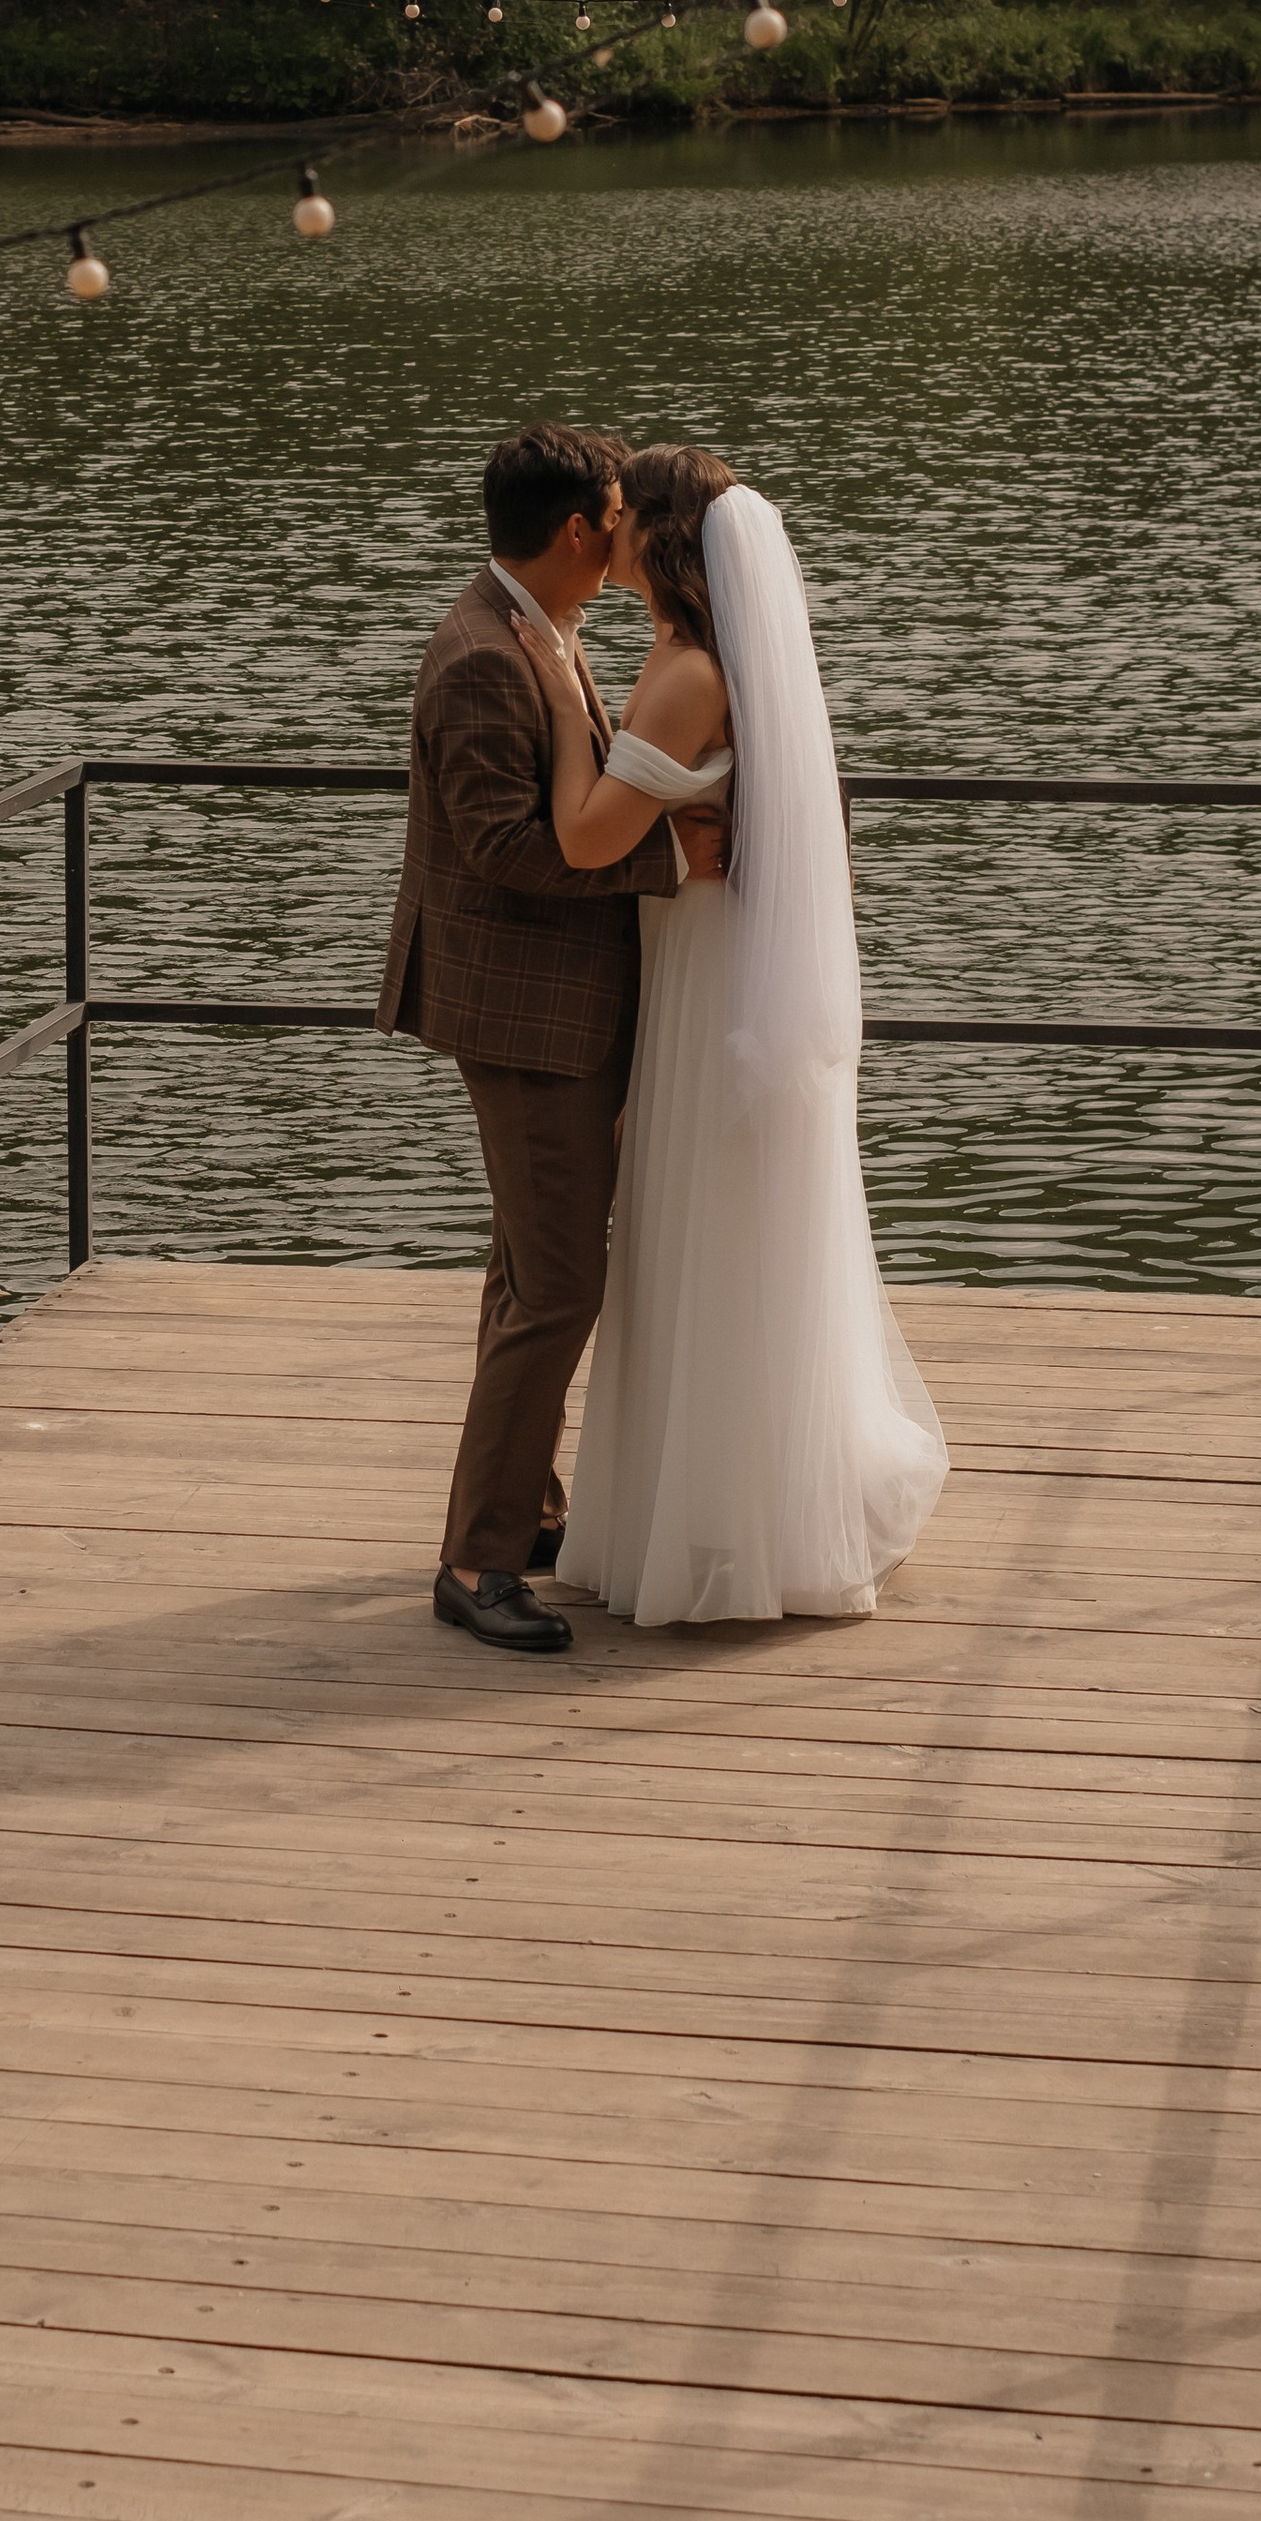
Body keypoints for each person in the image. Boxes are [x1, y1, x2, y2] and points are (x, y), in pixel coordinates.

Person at [509, 445, 947, 1625]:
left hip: (706, 985)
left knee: (703, 1226)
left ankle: (716, 1527)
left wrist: (560, 713)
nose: (608, 540)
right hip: (705, 961)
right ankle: (716, 1505)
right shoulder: (697, 655)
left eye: (624, 520)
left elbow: (593, 839)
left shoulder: (690, 671)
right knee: (713, 1227)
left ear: (664, 539)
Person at [376, 423, 727, 1654]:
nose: (629, 533)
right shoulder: (482, 655)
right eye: (619, 515)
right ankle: (475, 1565)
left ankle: (523, 1513)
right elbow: (506, 849)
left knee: (529, 1268)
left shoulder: (539, 627)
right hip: (530, 1017)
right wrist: (668, 853)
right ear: (579, 530)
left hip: (561, 1005)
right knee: (560, 1284)